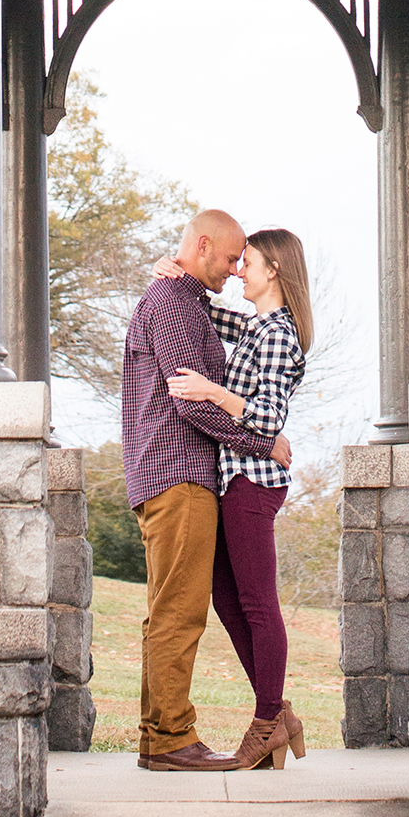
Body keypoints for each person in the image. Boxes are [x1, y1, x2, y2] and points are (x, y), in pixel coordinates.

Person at [121, 208, 292, 773]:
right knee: (179, 611)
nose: (234, 269)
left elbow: (261, 337)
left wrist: (256, 430)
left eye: (245, 262)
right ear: (201, 246)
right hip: (179, 473)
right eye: (228, 258)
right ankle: (171, 738)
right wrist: (260, 441)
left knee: (173, 609)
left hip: (190, 474)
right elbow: (188, 400)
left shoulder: (187, 302)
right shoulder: (172, 303)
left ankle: (160, 736)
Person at [160, 227, 313, 773]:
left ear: (274, 269)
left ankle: (267, 720)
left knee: (257, 603)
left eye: (245, 264)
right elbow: (208, 320)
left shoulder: (279, 334)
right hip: (233, 479)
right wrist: (181, 277)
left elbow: (268, 420)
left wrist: (213, 392)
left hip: (253, 483)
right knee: (225, 596)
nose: (237, 272)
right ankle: (278, 713)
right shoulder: (256, 327)